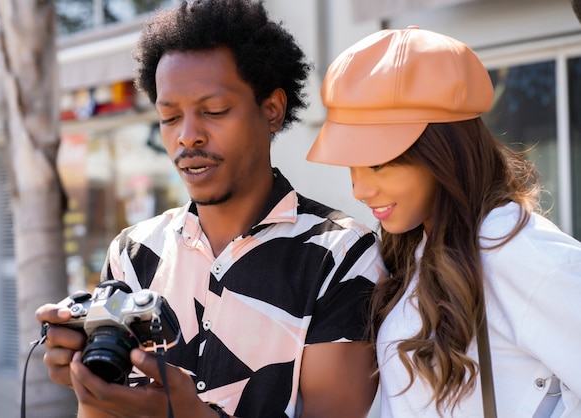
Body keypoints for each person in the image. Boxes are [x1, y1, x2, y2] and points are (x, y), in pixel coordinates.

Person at [35, 1, 385, 417]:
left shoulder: (342, 254)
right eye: (168, 117)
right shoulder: (133, 252)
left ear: (271, 109)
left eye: (214, 111)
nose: (188, 137)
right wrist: (87, 381)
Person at [307, 26, 581, 417]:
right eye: (352, 163)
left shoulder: (516, 252)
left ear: (442, 151)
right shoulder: (420, 251)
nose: (360, 189)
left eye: (378, 163)